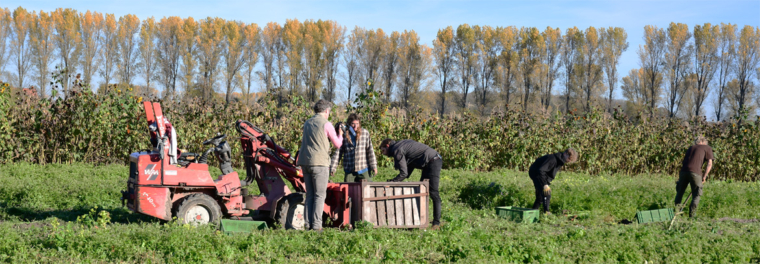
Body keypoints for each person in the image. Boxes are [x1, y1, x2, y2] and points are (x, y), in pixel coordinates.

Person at [297, 99, 343, 231]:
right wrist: (340, 134)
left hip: (305, 162)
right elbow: (337, 144)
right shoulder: (326, 124)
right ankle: (316, 226)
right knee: (319, 195)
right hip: (320, 163)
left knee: (310, 194)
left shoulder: (307, 123)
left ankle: (307, 224)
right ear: (326, 111)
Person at [379, 138, 442, 229]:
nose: (383, 153)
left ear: (387, 146)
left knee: (434, 193)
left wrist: (393, 182)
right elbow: (408, 169)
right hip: (429, 162)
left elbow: (404, 173)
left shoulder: (397, 150)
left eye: (383, 150)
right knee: (422, 191)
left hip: (433, 161)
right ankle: (420, 220)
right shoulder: (401, 145)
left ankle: (436, 223)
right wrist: (396, 180)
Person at [528, 148, 579, 214]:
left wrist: (546, 183)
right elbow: (541, 170)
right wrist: (545, 184)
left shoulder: (560, 161)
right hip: (536, 173)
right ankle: (547, 212)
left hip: (541, 174)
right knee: (546, 192)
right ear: (565, 154)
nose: (569, 161)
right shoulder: (553, 159)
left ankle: (532, 213)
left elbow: (549, 173)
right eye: (569, 158)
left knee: (540, 197)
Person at [329, 114, 378, 182]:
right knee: (348, 190)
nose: (355, 126)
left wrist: (373, 166)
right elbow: (338, 152)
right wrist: (333, 167)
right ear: (349, 124)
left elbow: (370, 150)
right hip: (349, 170)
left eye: (357, 124)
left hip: (363, 168)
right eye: (353, 124)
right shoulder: (344, 135)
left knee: (367, 189)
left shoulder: (365, 133)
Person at [675, 136, 714, 218]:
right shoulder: (707, 148)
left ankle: (676, 213)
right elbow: (709, 164)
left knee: (680, 192)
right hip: (695, 172)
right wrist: (704, 176)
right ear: (704, 142)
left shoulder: (691, 148)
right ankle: (692, 216)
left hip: (683, 172)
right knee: (697, 194)